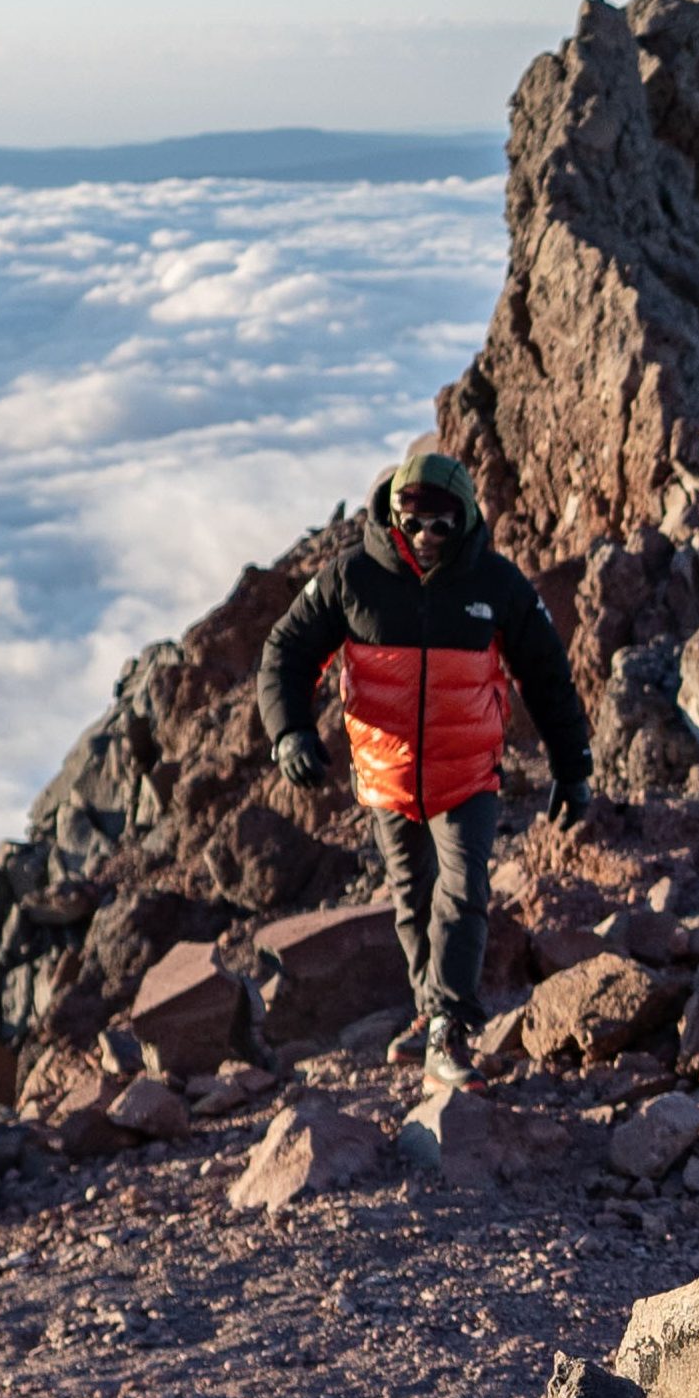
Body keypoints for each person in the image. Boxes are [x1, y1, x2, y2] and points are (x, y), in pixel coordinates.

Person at [259, 453, 595, 1072]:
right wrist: (289, 733)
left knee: (463, 891)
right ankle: (428, 1012)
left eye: (441, 525)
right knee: (413, 900)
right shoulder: (353, 577)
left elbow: (547, 676)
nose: (426, 538)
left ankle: (450, 1026)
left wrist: (573, 767)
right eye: (414, 524)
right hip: (387, 778)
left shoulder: (494, 585)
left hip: (468, 774)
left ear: (464, 519)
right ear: (394, 516)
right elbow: (286, 650)